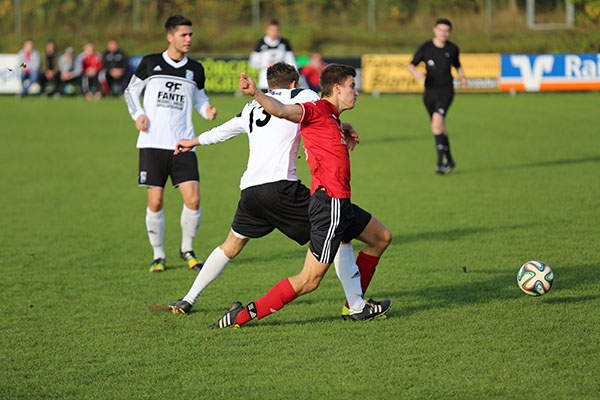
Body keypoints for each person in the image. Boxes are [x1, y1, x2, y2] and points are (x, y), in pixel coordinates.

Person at [169, 62, 364, 317]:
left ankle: (188, 298)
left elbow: (221, 132)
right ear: (293, 83)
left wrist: (191, 142)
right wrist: (345, 125)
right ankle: (357, 306)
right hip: (282, 189)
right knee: (337, 232)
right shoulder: (304, 96)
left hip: (251, 191)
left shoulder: (251, 107)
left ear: (269, 84)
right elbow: (323, 114)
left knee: (230, 246)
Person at [210, 64, 393, 329]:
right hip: (329, 206)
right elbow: (281, 110)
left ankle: (356, 307)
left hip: (341, 205)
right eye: (353, 86)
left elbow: (326, 129)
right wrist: (256, 93)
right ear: (338, 88)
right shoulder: (316, 109)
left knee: (380, 237)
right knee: (309, 281)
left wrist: (344, 127)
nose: (357, 92)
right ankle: (238, 318)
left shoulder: (330, 116)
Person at [124, 15, 217, 273]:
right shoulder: (150, 62)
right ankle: (158, 255)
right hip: (152, 143)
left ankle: (187, 249)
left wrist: (206, 109)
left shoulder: (196, 69)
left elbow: (199, 98)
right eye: (183, 35)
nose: (189, 39)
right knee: (155, 202)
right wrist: (138, 115)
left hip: (183, 143)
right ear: (170, 36)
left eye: (190, 35)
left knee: (194, 199)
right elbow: (130, 91)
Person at [408, 18, 467, 175]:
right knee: (440, 127)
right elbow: (411, 65)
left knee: (436, 123)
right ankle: (450, 158)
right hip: (429, 93)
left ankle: (440, 163)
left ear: (449, 32)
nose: (444, 33)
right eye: (441, 30)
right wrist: (415, 73)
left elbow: (457, 64)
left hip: (446, 91)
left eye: (447, 31)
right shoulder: (426, 48)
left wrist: (462, 77)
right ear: (435, 30)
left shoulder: (453, 48)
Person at [249, 18, 296, 90]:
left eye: (276, 30)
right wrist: (266, 65)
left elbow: (292, 62)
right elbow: (253, 63)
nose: (274, 32)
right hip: (265, 81)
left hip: (282, 81)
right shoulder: (260, 44)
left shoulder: (284, 43)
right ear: (266, 31)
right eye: (272, 30)